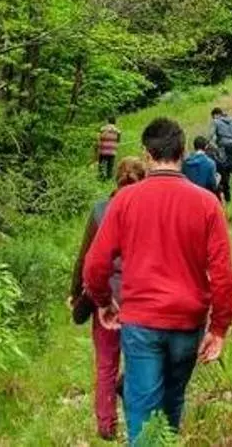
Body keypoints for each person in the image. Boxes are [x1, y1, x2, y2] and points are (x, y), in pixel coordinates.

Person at [84, 118, 232, 445]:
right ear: (182, 151)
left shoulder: (125, 200)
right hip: (188, 322)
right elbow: (223, 274)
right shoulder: (207, 203)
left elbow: (95, 265)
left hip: (141, 321)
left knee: (142, 409)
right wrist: (219, 328)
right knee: (172, 403)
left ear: (147, 153)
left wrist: (103, 302)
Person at [70, 157, 148, 441]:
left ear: (116, 179)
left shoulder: (100, 210)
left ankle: (106, 425)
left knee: (105, 362)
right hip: (139, 297)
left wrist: (75, 293)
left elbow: (86, 257)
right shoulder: (149, 210)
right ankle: (137, 414)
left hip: (105, 297)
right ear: (143, 179)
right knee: (141, 358)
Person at [209, 108, 232, 203]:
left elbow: (211, 136)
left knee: (224, 167)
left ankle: (229, 189)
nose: (213, 118)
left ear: (216, 114)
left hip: (223, 146)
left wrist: (211, 146)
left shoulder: (216, 121)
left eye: (213, 117)